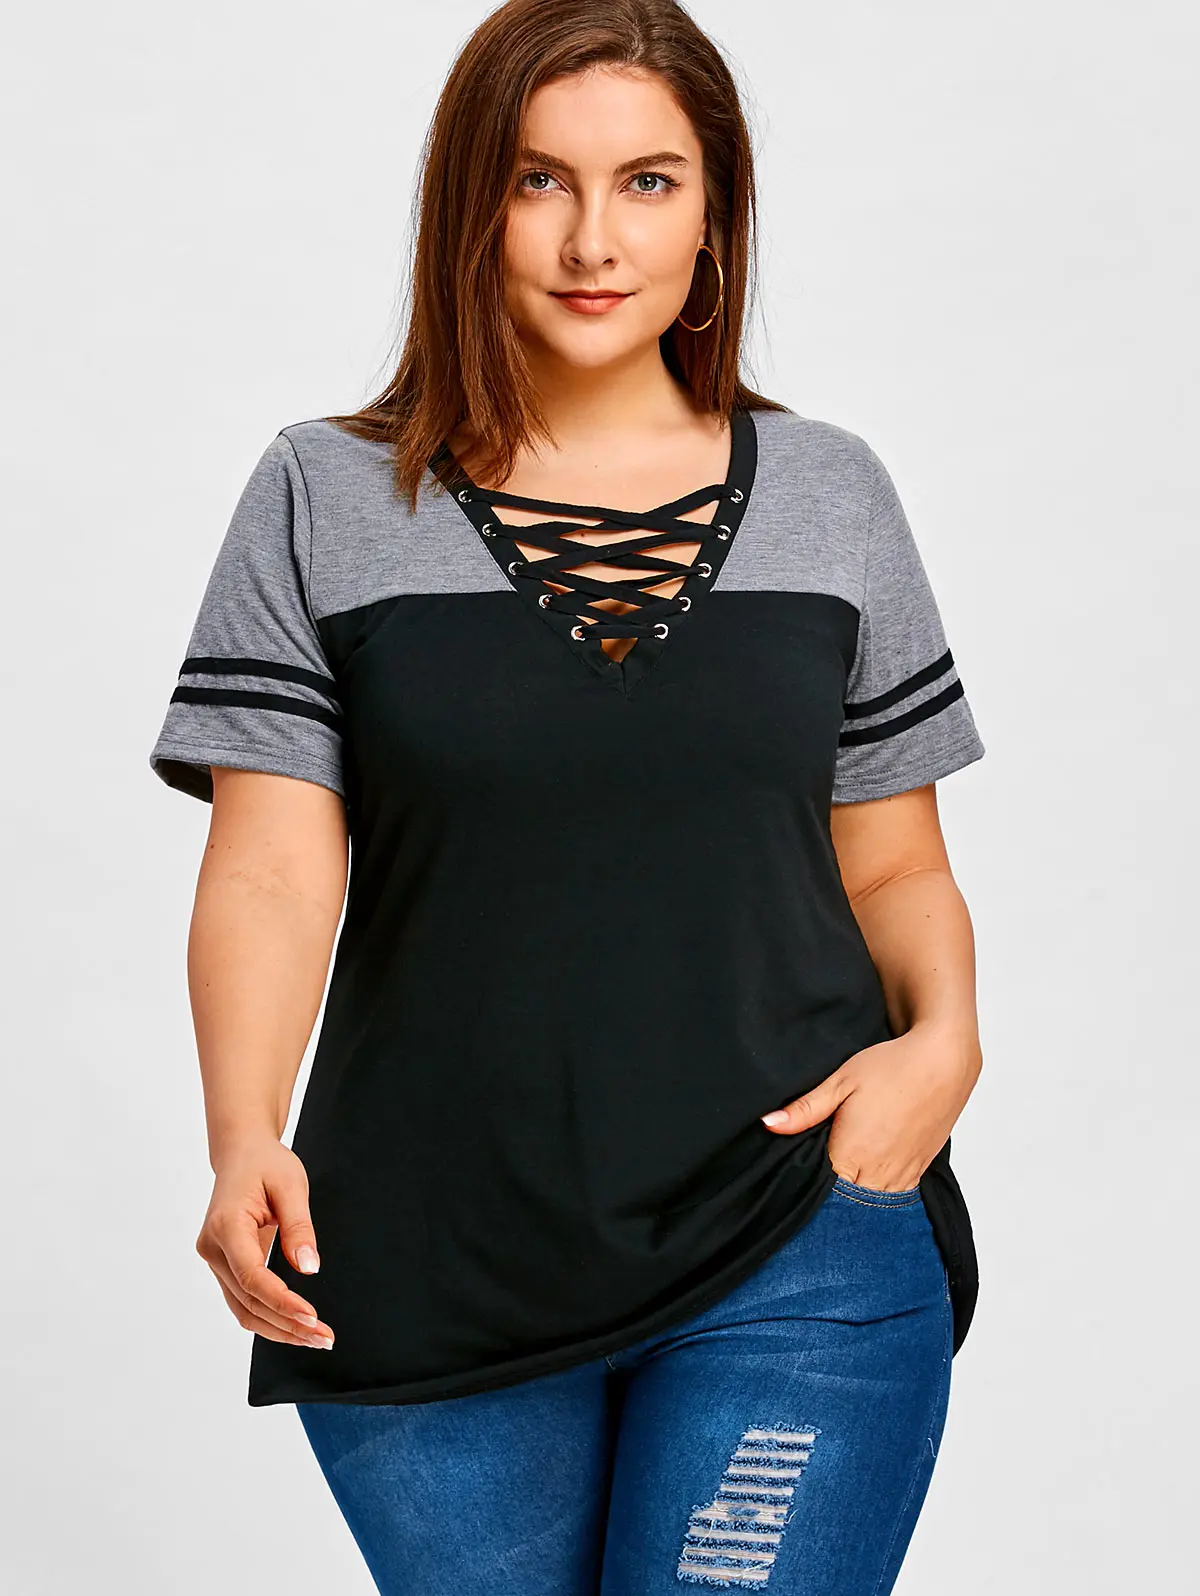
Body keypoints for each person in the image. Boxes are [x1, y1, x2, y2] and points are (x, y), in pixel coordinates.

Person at [148, 1, 987, 1590]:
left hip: (797, 1237)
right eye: (540, 180)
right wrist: (242, 1130)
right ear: (469, 208)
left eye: (649, 182)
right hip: (425, 1254)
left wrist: (944, 1041)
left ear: (715, 215)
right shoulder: (324, 494)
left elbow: (891, 864)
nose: (595, 239)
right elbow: (270, 871)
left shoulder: (833, 495)